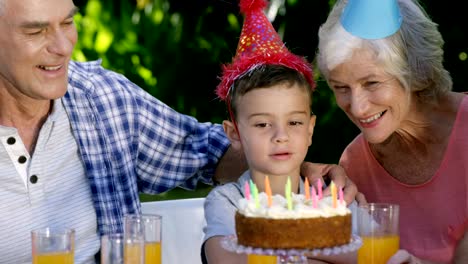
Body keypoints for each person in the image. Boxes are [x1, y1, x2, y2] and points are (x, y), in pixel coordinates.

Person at [0, 0, 358, 263]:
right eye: (36, 30)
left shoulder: (103, 100)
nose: (63, 47)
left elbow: (210, 150)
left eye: (67, 22)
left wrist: (301, 175)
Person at [202, 0, 358, 263]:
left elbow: (370, 254)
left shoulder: (330, 195)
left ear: (310, 129)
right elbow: (225, 259)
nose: (281, 136)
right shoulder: (229, 202)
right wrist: (323, 247)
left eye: (294, 123)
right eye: (263, 124)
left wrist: (269, 244)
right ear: (234, 134)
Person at [316, 0, 468, 263]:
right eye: (341, 87)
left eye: (371, 82)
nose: (358, 107)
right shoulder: (354, 165)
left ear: (414, 72)